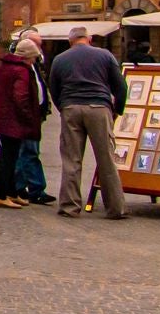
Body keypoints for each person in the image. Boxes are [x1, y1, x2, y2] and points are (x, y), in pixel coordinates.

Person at [49, 27, 128, 220]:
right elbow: (121, 86)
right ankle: (115, 208)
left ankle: (69, 206)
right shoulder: (105, 55)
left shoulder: (60, 59)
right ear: (89, 39)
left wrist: (63, 107)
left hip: (71, 107)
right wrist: (117, 109)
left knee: (71, 159)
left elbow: (53, 87)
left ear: (70, 41)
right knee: (106, 159)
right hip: (99, 107)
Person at [0, 41, 42, 207]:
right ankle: (1, 195)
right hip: (12, 120)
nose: (35, 61)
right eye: (34, 57)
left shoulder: (2, 68)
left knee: (11, 157)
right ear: (28, 56)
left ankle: (12, 192)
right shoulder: (21, 71)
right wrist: (28, 117)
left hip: (2, 118)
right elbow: (20, 97)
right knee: (9, 159)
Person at [13, 36, 55, 205]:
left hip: (35, 115)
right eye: (37, 44)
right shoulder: (21, 69)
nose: (40, 48)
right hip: (27, 118)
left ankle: (26, 187)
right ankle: (29, 188)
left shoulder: (34, 65)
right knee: (28, 152)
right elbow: (20, 97)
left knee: (29, 152)